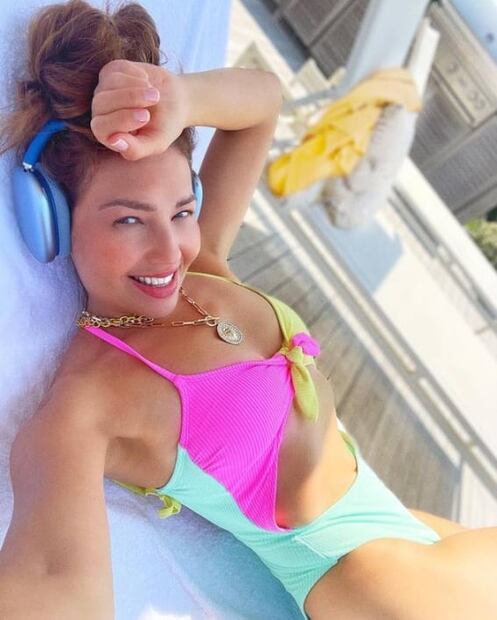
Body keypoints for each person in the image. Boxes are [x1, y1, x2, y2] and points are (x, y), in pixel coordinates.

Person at [1, 1, 496, 619]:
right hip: (368, 583)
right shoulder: (89, 401)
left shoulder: (202, 265)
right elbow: (53, 583)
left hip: (415, 531)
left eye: (181, 211)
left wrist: (180, 100)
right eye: (129, 220)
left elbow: (262, 103)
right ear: (50, 217)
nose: (169, 251)